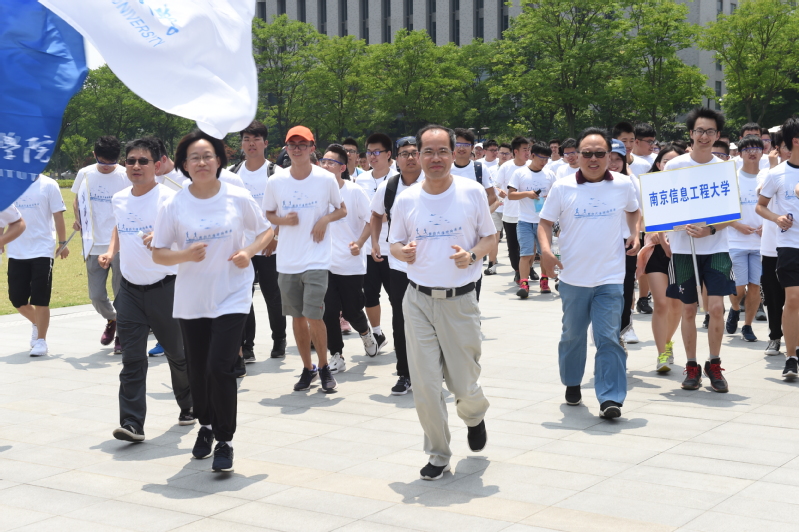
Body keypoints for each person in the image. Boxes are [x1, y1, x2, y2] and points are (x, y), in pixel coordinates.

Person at [153, 129, 272, 472]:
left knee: (220, 366)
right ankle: (204, 425)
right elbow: (159, 253)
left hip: (232, 294)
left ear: (219, 161)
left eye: (208, 156)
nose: (202, 162)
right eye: (194, 157)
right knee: (198, 369)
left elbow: (266, 230)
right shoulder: (174, 204)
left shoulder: (237, 196)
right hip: (192, 298)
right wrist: (185, 255)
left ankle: (224, 440)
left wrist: (248, 252)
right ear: (184, 165)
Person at [389, 124, 495, 481]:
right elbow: (393, 243)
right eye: (428, 152)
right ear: (417, 156)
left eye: (442, 151)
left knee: (464, 384)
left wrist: (473, 255)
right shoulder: (406, 199)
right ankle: (437, 453)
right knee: (426, 385)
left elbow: (490, 238)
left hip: (459, 302)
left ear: (455, 153)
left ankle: (474, 415)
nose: (435, 158)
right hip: (418, 300)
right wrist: (401, 252)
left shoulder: (472, 192)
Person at [538, 127, 641, 419]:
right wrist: (546, 251)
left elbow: (634, 211)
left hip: (611, 277)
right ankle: (572, 382)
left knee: (608, 336)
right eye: (587, 153)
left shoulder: (623, 184)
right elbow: (545, 223)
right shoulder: (563, 187)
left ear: (609, 156)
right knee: (573, 335)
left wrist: (635, 233)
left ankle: (610, 398)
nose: (593, 159)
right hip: (573, 277)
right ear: (577, 156)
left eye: (599, 153)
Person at [104, 137, 194, 443]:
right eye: (130, 161)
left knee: (178, 354)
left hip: (166, 288)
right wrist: (110, 251)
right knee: (132, 359)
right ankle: (132, 423)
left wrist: (162, 235)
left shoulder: (171, 199)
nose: (136, 166)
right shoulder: (119, 198)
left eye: (143, 161)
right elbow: (120, 227)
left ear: (157, 165)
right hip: (129, 290)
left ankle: (189, 404)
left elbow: (190, 237)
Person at [263, 125, 347, 393]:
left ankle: (324, 366)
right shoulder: (276, 181)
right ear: (286, 148)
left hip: (317, 259)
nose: (297, 149)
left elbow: (341, 210)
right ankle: (307, 368)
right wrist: (282, 221)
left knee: (314, 315)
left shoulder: (325, 179)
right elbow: (269, 214)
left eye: (303, 144)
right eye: (292, 144)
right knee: (297, 317)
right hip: (288, 261)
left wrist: (324, 219)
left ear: (312, 148)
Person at [665, 107, 735, 393]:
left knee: (716, 308)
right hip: (684, 250)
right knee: (689, 308)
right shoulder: (675, 167)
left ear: (717, 135)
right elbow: (662, 208)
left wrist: (711, 229)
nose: (704, 136)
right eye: (699, 131)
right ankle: (691, 366)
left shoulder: (725, 168)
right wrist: (674, 227)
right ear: (690, 134)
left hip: (716, 248)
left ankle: (714, 363)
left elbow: (733, 213)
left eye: (710, 131)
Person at [229, 121, 287, 372]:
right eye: (246, 139)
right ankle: (247, 344)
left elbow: (285, 209)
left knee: (273, 294)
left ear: (265, 143)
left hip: (271, 245)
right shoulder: (232, 174)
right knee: (244, 296)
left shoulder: (276, 173)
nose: (251, 144)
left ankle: (279, 338)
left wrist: (275, 236)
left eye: (256, 139)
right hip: (243, 247)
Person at [370, 136, 425, 395]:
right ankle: (404, 373)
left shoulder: (434, 181)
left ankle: (434, 370)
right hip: (400, 266)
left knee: (431, 319)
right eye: (405, 154)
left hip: (432, 266)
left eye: (414, 153)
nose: (410, 158)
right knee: (401, 319)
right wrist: (375, 242)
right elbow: (375, 214)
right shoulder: (389, 186)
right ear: (396, 159)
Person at [319, 144, 379, 374]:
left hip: (350, 263)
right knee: (329, 311)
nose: (325, 166)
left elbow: (371, 220)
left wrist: (360, 243)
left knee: (352, 311)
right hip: (325, 262)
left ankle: (365, 333)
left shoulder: (354, 192)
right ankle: (337, 354)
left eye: (331, 162)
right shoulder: (317, 192)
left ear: (342, 168)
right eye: (323, 161)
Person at [71, 135, 129, 354]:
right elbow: (77, 200)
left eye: (111, 163)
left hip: (120, 243)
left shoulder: (125, 175)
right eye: (102, 162)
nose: (106, 167)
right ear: (95, 155)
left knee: (121, 293)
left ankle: (122, 335)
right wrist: (78, 219)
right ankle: (112, 319)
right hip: (93, 243)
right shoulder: (85, 174)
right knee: (95, 295)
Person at [636, 145, 686, 373]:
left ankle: (667, 342)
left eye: (676, 161)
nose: (670, 165)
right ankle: (662, 354)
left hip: (681, 251)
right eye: (666, 161)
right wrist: (656, 234)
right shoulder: (650, 187)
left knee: (676, 306)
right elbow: (641, 221)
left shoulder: (689, 188)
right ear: (658, 164)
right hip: (657, 251)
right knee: (662, 303)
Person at [756, 117, 799, 380]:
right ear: (795, 141)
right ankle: (791, 357)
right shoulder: (777, 173)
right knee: (792, 299)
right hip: (789, 245)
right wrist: (777, 218)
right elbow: (760, 206)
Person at [8, 173, 68, 356]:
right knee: (17, 299)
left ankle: (41, 340)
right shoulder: (11, 184)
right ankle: (37, 322)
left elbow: (58, 215)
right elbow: (4, 216)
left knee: (40, 297)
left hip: (42, 248)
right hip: (17, 249)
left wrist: (62, 243)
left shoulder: (49, 185)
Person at [356, 133, 397, 352]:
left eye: (377, 152)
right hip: (367, 249)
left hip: (393, 249)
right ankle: (378, 333)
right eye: (369, 152)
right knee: (370, 294)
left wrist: (380, 216)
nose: (372, 156)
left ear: (388, 154)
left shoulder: (398, 179)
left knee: (396, 296)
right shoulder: (360, 179)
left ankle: (403, 334)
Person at [726, 134, 764, 342]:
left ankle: (747, 326)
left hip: (761, 242)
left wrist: (768, 226)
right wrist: (737, 225)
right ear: (740, 153)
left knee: (755, 286)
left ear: (762, 152)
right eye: (747, 149)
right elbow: (723, 210)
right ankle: (734, 308)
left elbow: (775, 206)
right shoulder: (732, 178)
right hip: (736, 241)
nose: (752, 152)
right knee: (738, 287)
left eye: (756, 148)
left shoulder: (767, 177)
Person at [508, 140, 556, 297]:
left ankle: (544, 281)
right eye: (541, 158)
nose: (544, 162)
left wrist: (550, 198)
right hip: (525, 221)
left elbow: (557, 195)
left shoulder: (549, 175)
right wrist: (527, 194)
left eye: (546, 159)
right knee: (526, 254)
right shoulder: (520, 173)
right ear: (532, 156)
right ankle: (524, 283)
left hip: (544, 221)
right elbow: (511, 195)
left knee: (544, 254)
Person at [606, 139, 642, 346]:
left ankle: (626, 326)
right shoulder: (595, 183)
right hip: (603, 241)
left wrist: (636, 236)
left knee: (627, 284)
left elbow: (638, 212)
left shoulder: (631, 182)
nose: (613, 163)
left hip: (626, 240)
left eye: (617, 159)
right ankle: (605, 324)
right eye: (609, 158)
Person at [759, 132, 791, 356]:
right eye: (785, 147)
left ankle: (793, 339)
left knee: (793, 296)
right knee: (773, 296)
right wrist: (773, 167)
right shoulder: (768, 173)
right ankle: (774, 337)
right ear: (776, 149)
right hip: (771, 246)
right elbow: (761, 199)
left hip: (793, 246)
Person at [494, 137, 531, 284]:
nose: (528, 152)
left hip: (528, 214)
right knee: (513, 246)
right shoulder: (506, 167)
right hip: (510, 213)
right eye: (524, 149)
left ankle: (528, 269)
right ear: (516, 151)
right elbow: (496, 185)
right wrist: (500, 192)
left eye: (529, 149)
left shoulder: (531, 166)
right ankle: (517, 271)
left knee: (528, 245)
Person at [450, 128, 498, 206]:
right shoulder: (446, 169)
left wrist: (478, 210)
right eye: (458, 144)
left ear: (472, 148)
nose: (461, 148)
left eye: (466, 145)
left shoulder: (480, 168)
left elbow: (492, 196)